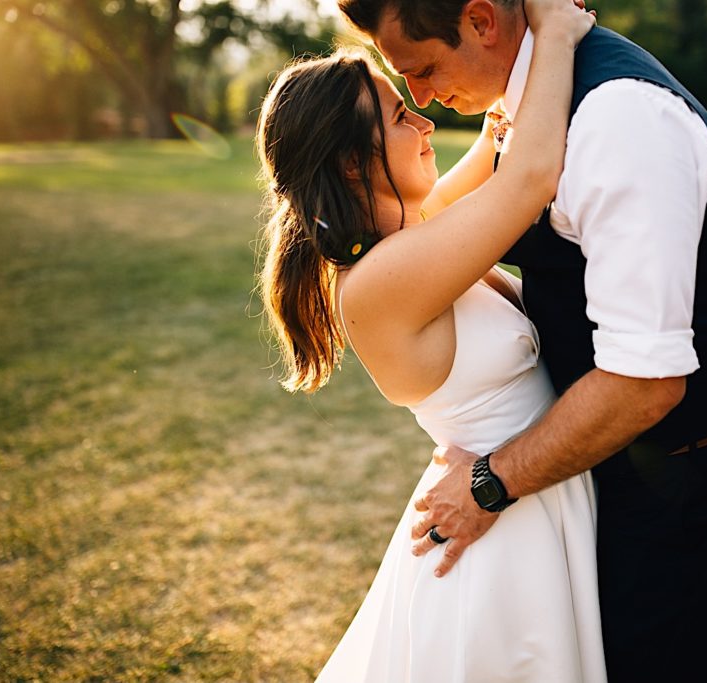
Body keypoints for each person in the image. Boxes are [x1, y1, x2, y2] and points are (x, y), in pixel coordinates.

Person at [337, 1, 707, 681]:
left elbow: (645, 379)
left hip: (666, 476)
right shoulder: (525, 116)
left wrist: (488, 478)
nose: (423, 103)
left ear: (481, 21)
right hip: (576, 479)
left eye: (421, 71)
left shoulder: (619, 119)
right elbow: (514, 179)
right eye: (401, 101)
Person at [256, 1, 603, 681]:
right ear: (355, 165)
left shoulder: (408, 240)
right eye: (399, 115)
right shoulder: (381, 281)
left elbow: (495, 149)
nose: (424, 120)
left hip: (525, 498)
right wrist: (556, 30)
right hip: (500, 544)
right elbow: (527, 177)